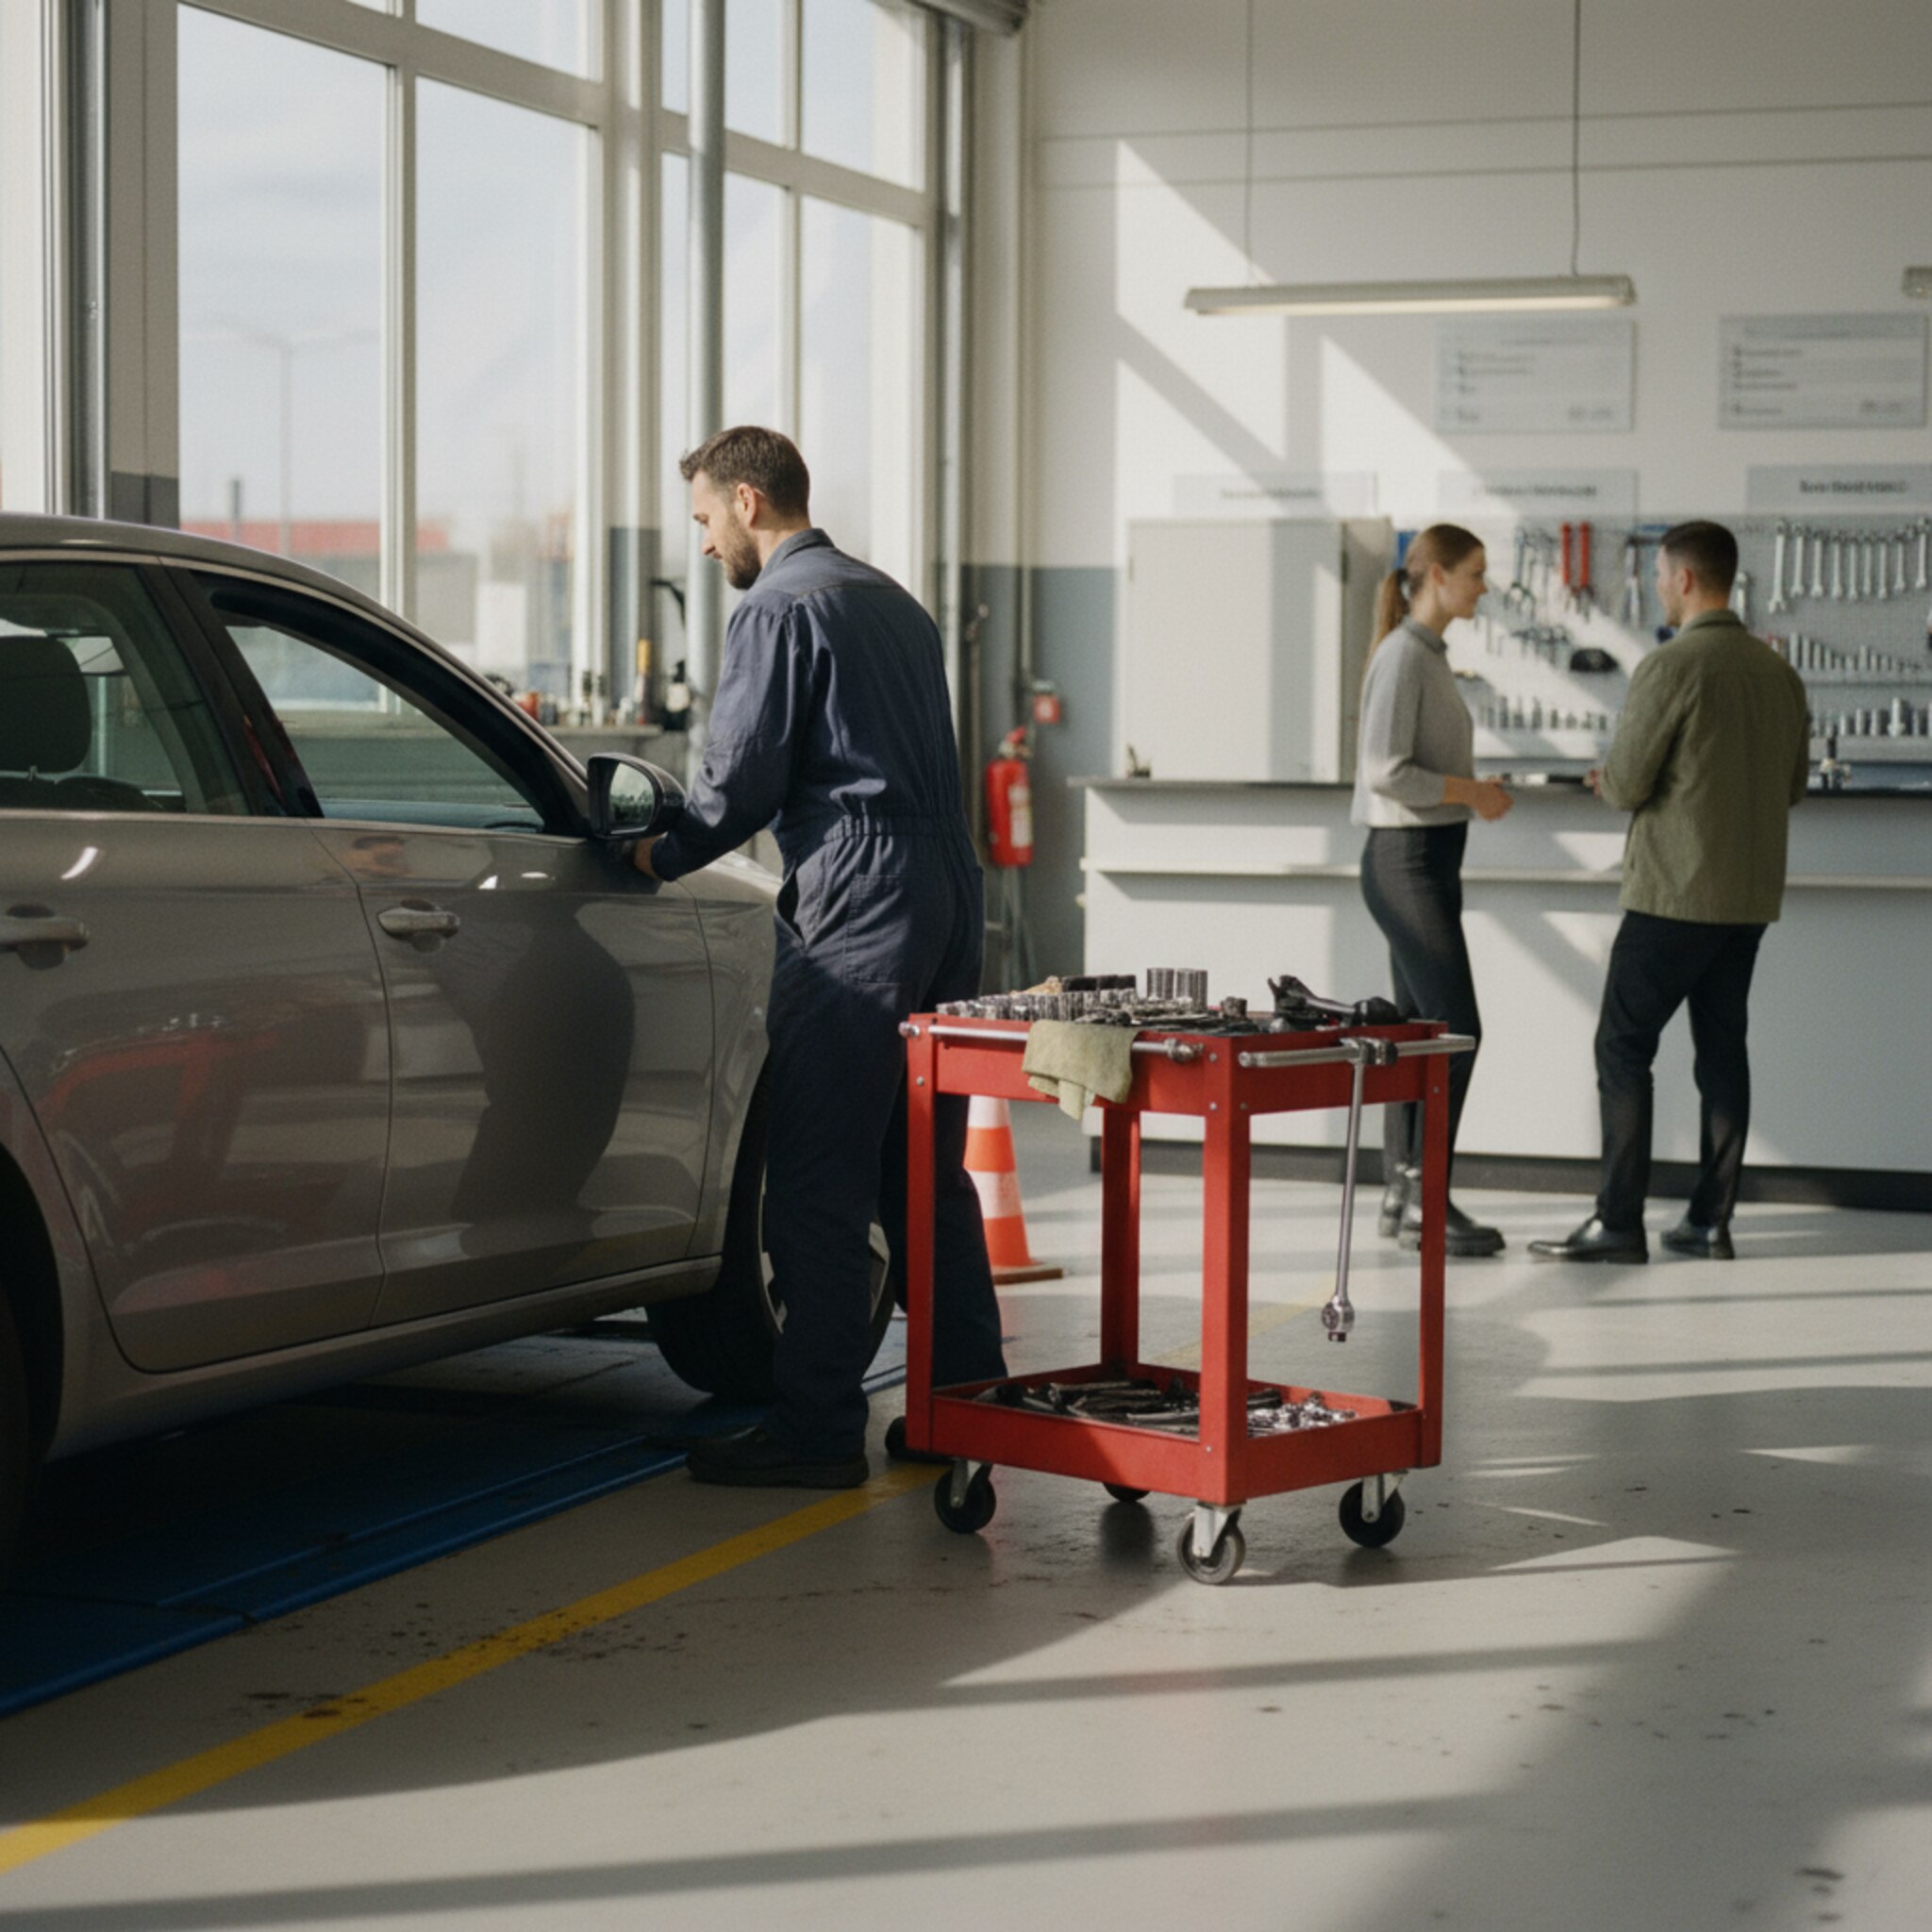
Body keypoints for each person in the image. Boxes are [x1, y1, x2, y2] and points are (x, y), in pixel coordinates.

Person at [636, 426, 1008, 1485]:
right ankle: (958, 1408)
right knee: (923, 1172)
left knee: (819, 1175)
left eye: (705, 520)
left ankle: (811, 1426)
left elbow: (740, 781)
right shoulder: (892, 600)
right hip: (943, 889)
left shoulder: (779, 607)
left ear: (749, 502)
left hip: (855, 896)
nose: (704, 546)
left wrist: (659, 850)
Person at [1530, 520, 1809, 1264]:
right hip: (1747, 901)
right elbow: (1793, 787)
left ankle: (1618, 1222)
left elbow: (1625, 784)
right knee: (1722, 1054)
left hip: (1673, 896)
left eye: (1659, 572)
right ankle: (1709, 1222)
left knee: (1622, 1047)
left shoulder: (1671, 666)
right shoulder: (1778, 671)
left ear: (1685, 579)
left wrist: (1605, 779)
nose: (1656, 583)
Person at [1353, 525, 1514, 1258]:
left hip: (1428, 858)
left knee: (1416, 1034)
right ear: (1438, 575)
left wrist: (1468, 796)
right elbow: (1386, 768)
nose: (1485, 586)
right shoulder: (1403, 657)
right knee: (1456, 1031)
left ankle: (1404, 1191)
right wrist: (1472, 792)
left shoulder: (1426, 656)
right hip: (1405, 860)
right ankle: (1426, 1197)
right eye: (1476, 573)